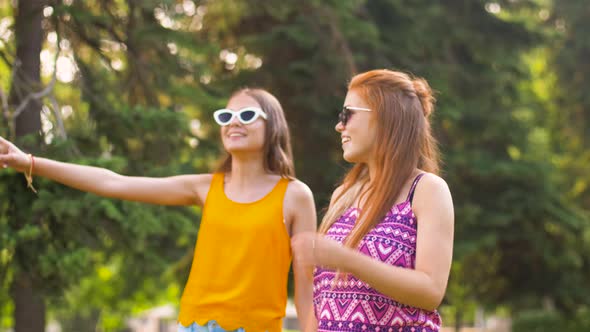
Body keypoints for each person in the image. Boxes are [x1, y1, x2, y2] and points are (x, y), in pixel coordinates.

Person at [0, 88, 317, 332]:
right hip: (193, 325)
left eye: (247, 115)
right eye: (225, 116)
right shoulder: (206, 187)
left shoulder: (295, 195)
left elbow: (306, 289)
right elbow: (114, 183)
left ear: (272, 125)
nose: (234, 122)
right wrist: (30, 162)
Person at [291, 69, 454, 332]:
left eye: (348, 114)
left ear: (385, 117)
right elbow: (321, 301)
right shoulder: (344, 195)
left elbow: (431, 290)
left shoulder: (426, 190)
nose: (339, 125)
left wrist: (348, 259)